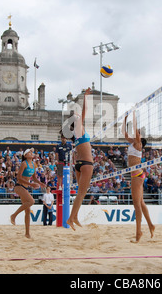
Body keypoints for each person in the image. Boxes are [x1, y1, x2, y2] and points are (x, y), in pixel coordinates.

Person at [122, 111, 155, 243]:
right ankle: (151, 225)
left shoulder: (138, 144)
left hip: (137, 174)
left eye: (139, 135)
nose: (138, 134)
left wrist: (134, 115)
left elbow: (135, 131)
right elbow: (125, 134)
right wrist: (125, 119)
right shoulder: (133, 143)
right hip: (137, 174)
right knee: (140, 203)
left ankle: (138, 232)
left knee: (137, 205)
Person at [65, 88, 93, 230]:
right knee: (81, 193)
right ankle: (70, 218)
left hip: (79, 164)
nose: (77, 114)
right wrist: (85, 96)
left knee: (81, 193)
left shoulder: (76, 134)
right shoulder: (79, 127)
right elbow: (85, 110)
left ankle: (74, 217)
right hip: (86, 164)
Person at [10, 148, 45, 238]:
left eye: (31, 152)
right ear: (25, 155)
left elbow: (34, 177)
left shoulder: (34, 164)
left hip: (25, 187)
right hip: (19, 186)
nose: (31, 153)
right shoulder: (24, 164)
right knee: (31, 201)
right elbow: (18, 177)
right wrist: (30, 184)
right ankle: (14, 215)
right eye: (29, 152)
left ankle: (27, 233)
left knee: (28, 211)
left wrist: (39, 183)